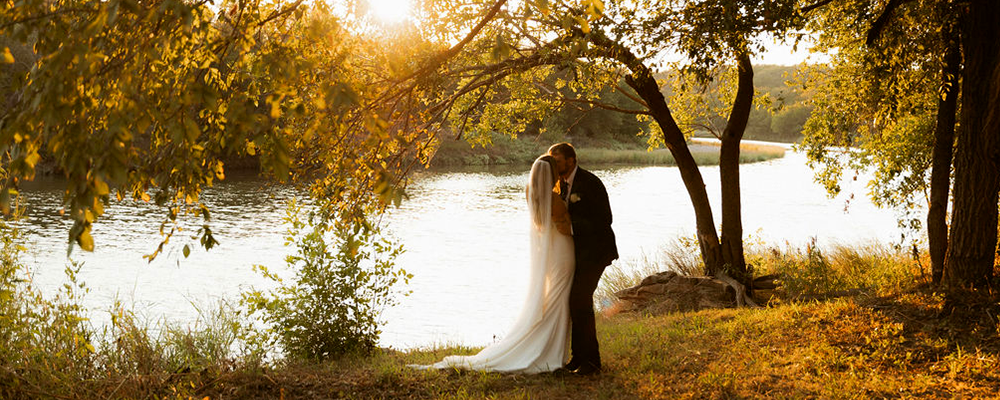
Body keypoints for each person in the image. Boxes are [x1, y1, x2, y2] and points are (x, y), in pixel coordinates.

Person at [413, 155, 575, 373]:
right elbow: (565, 229)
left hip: (550, 251)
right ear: (552, 173)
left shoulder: (531, 193)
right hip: (562, 251)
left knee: (552, 299)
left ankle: (549, 348)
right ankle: (549, 351)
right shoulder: (553, 199)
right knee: (558, 300)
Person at [547, 142, 618, 376]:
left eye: (558, 161)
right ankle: (577, 358)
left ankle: (592, 362)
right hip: (575, 254)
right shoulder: (558, 186)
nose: (555, 166)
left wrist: (572, 228)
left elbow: (605, 219)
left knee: (580, 300)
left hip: (596, 252)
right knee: (574, 302)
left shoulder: (590, 182)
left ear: (571, 160)